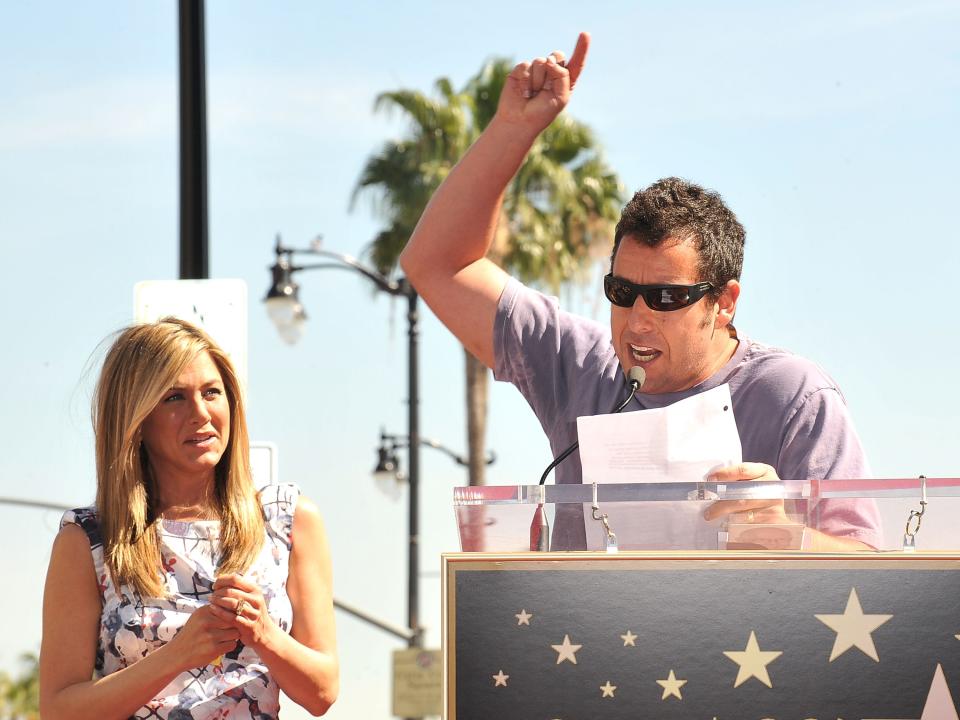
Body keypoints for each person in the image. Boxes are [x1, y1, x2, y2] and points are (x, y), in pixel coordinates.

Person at [399, 32, 881, 551]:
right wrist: (513, 128)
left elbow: (871, 573)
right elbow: (436, 265)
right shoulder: (582, 367)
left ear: (725, 302)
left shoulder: (794, 395)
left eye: (668, 298)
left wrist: (786, 532)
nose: (638, 318)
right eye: (622, 290)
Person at [39, 318, 338, 719]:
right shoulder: (89, 540)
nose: (201, 413)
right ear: (136, 420)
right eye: (174, 398)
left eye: (212, 393)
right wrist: (177, 654)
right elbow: (59, 711)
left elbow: (323, 693)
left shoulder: (288, 520)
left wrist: (264, 634)